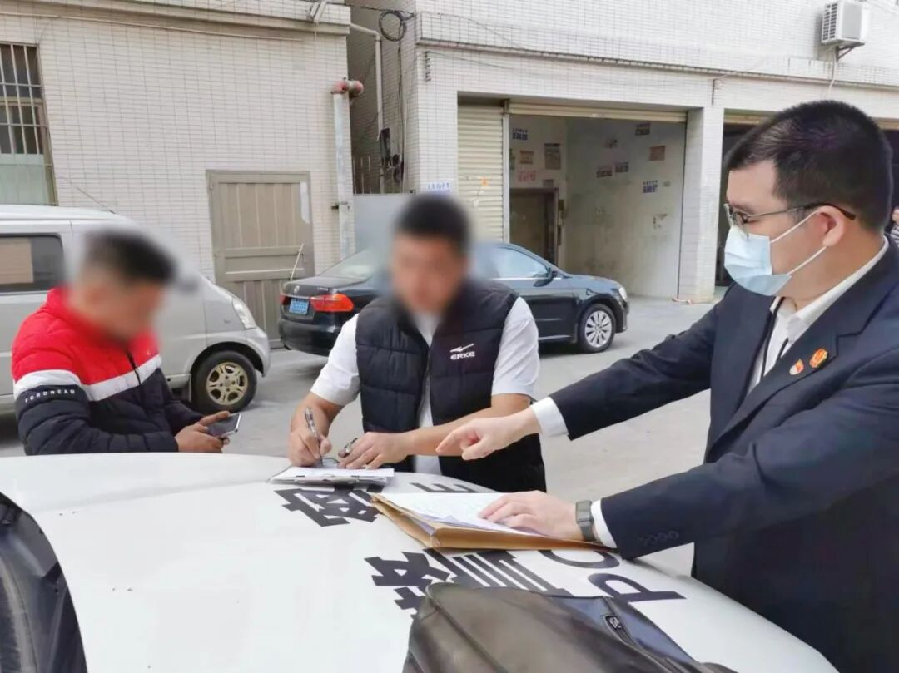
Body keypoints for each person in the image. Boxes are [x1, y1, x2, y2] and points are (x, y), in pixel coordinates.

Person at [438, 101, 899, 672]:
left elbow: (766, 476)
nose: (735, 237)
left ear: (825, 225)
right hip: (725, 585)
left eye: (746, 218)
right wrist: (522, 421)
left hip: (831, 619)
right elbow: (661, 368)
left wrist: (585, 520)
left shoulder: (888, 345)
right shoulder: (762, 290)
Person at [288, 194, 545, 492]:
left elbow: (507, 414)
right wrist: (304, 434)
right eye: (406, 264)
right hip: (402, 501)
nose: (417, 282)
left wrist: (404, 443)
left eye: (435, 267)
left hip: (495, 496)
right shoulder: (366, 326)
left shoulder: (505, 313)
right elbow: (318, 404)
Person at [13, 229, 227, 454]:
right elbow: (56, 445)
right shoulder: (43, 343)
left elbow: (160, 404)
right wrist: (173, 445)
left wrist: (194, 425)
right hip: (106, 477)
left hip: (155, 468)